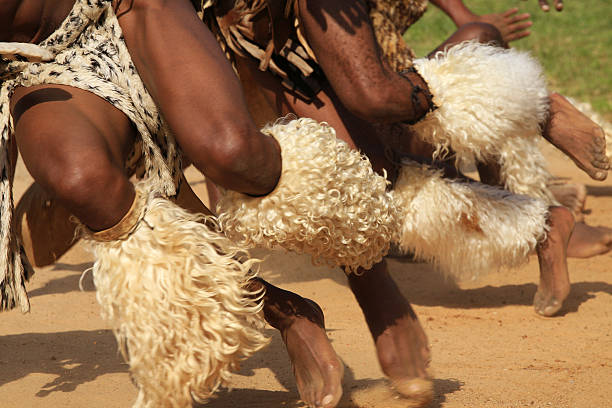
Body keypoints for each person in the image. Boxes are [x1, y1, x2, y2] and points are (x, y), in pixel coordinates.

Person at [1, 1, 408, 407]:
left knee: (233, 154)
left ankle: (372, 277)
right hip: (38, 58)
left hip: (129, 5)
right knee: (80, 180)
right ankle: (286, 311)